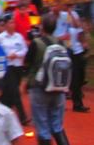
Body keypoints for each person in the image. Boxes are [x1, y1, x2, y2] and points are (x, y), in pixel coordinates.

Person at [25, 13, 70, 145]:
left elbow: (27, 63)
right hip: (59, 87)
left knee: (42, 127)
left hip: (39, 87)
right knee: (57, 126)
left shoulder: (36, 43)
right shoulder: (61, 43)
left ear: (42, 27)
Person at [0, 14, 29, 125]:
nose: (12, 24)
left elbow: (24, 50)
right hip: (7, 68)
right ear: (6, 24)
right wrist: (7, 56)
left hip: (17, 67)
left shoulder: (19, 37)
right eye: (10, 22)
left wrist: (17, 54)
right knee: (15, 91)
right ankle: (22, 116)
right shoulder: (0, 38)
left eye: (13, 22)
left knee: (8, 94)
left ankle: (4, 114)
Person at [68, 23, 90, 112]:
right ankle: (77, 104)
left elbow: (81, 33)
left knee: (79, 78)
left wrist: (84, 43)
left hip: (79, 52)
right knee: (75, 78)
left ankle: (77, 102)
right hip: (69, 52)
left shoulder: (74, 17)